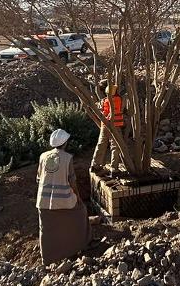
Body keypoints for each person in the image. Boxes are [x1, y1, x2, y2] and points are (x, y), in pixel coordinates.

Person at [36, 128, 90, 264]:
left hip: (43, 201)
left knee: (46, 229)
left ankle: (47, 259)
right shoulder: (67, 158)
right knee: (80, 213)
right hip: (64, 200)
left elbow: (38, 178)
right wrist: (78, 198)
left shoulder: (43, 156)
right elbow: (72, 181)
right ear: (65, 143)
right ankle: (79, 246)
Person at [92, 83, 124, 175]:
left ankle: (95, 165)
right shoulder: (119, 99)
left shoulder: (104, 101)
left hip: (104, 126)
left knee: (101, 145)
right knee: (115, 147)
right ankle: (114, 169)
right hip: (115, 126)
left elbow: (99, 107)